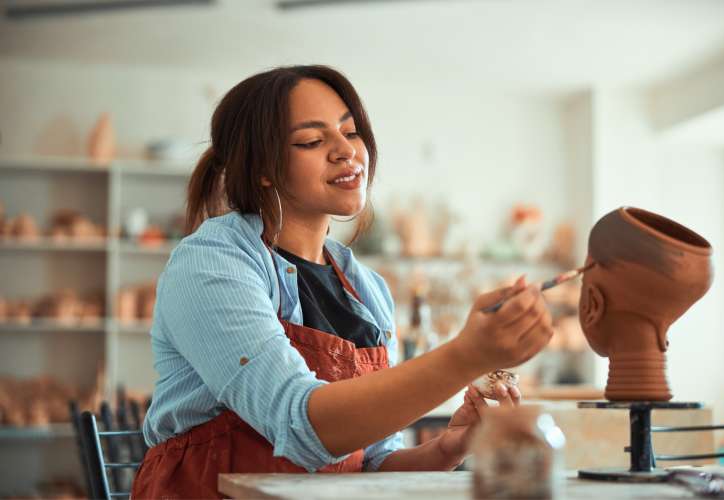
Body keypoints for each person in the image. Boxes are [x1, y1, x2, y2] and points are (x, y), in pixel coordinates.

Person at [131, 65, 553, 499]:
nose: (345, 151)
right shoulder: (212, 263)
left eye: (350, 133)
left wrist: (447, 448)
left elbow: (368, 462)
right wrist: (466, 355)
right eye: (313, 141)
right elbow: (299, 425)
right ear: (262, 169)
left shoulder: (366, 290)